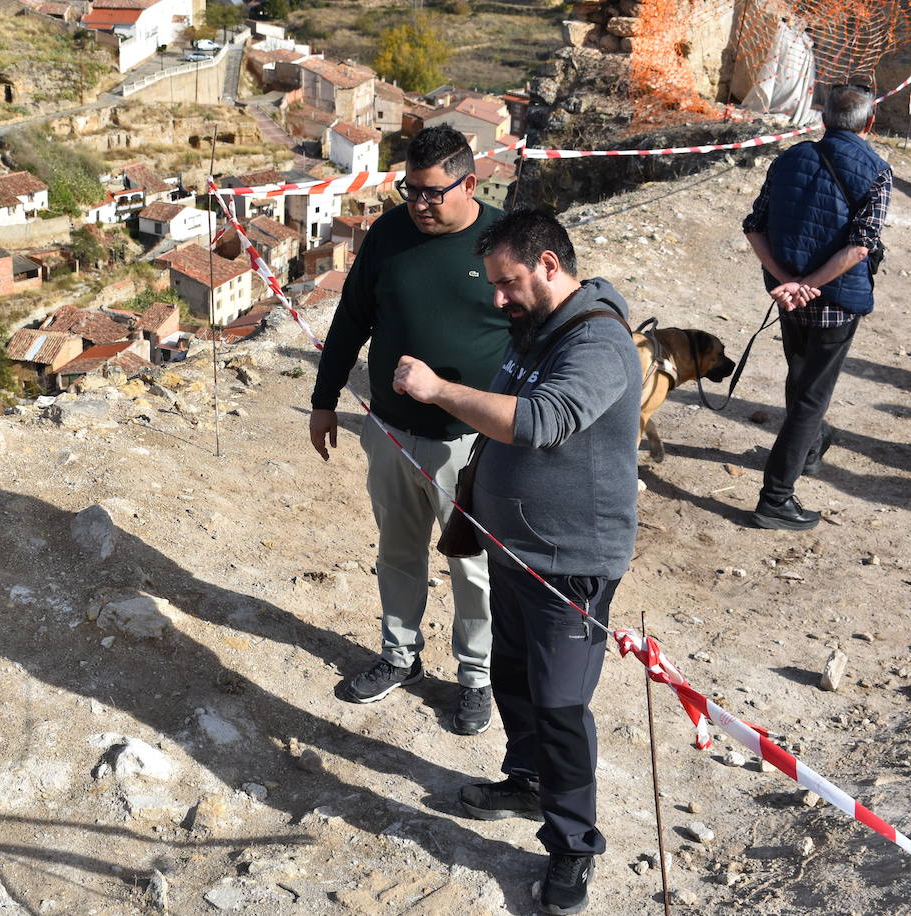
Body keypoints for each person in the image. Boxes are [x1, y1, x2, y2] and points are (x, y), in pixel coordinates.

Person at [392, 210, 640, 916]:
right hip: (515, 548)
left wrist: (438, 391)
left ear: (552, 266)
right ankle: (527, 779)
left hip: (571, 565)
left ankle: (572, 846)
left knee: (561, 705)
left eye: (509, 283)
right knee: (515, 678)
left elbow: (538, 422)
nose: (498, 299)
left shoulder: (597, 343)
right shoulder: (536, 332)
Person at [308, 125, 510, 735]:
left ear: (469, 183)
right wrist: (323, 401)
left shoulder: (503, 242)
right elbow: (351, 319)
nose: (418, 205)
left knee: (471, 566)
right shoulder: (389, 235)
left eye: (431, 193)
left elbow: (541, 336)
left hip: (472, 445)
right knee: (397, 550)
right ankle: (401, 656)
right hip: (391, 433)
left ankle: (476, 678)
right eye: (409, 191)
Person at [742, 82, 892, 530]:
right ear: (870, 123)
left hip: (789, 298)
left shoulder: (788, 158)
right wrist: (805, 283)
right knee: (810, 397)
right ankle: (776, 499)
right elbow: (860, 248)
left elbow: (754, 227)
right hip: (834, 302)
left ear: (823, 119)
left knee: (800, 379)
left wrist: (789, 283)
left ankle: (808, 449)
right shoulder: (878, 171)